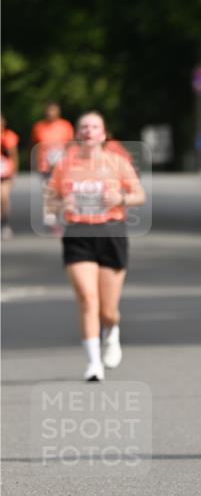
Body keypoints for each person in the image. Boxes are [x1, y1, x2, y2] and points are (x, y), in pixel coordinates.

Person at [44, 111, 145, 381]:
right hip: (78, 234)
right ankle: (93, 363)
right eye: (84, 127)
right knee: (88, 299)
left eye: (94, 127)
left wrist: (120, 198)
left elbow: (139, 195)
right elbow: (50, 200)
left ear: (103, 134)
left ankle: (111, 332)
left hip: (111, 232)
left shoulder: (117, 162)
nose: (89, 131)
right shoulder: (65, 164)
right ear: (78, 133)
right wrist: (60, 206)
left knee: (107, 310)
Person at [31, 102, 74, 178]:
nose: (50, 113)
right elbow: (33, 145)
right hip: (44, 166)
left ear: (58, 112)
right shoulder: (38, 126)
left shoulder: (66, 126)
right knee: (47, 187)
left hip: (61, 164)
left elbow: (71, 145)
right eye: (49, 110)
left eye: (53, 110)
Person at [1, 115, 20, 239]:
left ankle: (5, 224)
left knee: (3, 197)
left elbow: (13, 155)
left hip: (5, 172)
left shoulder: (9, 136)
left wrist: (14, 172)